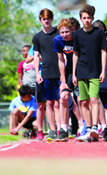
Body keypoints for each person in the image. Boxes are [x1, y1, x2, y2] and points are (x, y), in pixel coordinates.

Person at [73, 4, 107, 142]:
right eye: (84, 18)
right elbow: (75, 54)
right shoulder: (77, 34)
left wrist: (103, 71)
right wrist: (75, 73)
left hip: (95, 71)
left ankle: (95, 127)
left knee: (94, 99)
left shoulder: (99, 33)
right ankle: (87, 129)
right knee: (83, 101)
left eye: (88, 18)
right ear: (81, 19)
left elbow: (103, 52)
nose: (86, 20)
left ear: (92, 18)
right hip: (81, 71)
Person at [32, 8, 62, 141]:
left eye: (48, 18)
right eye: (44, 19)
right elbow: (36, 56)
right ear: (40, 20)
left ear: (52, 19)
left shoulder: (58, 34)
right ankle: (52, 130)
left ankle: (62, 128)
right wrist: (37, 74)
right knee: (49, 102)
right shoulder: (37, 37)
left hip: (59, 72)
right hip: (45, 73)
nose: (46, 21)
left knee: (59, 103)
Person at [53, 17, 81, 141]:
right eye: (62, 32)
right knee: (63, 97)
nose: (64, 35)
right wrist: (63, 81)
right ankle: (64, 129)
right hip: (68, 71)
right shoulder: (58, 40)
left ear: (72, 29)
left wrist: (76, 74)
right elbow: (61, 60)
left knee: (82, 100)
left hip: (82, 69)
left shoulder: (78, 38)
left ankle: (85, 126)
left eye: (67, 32)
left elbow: (77, 55)